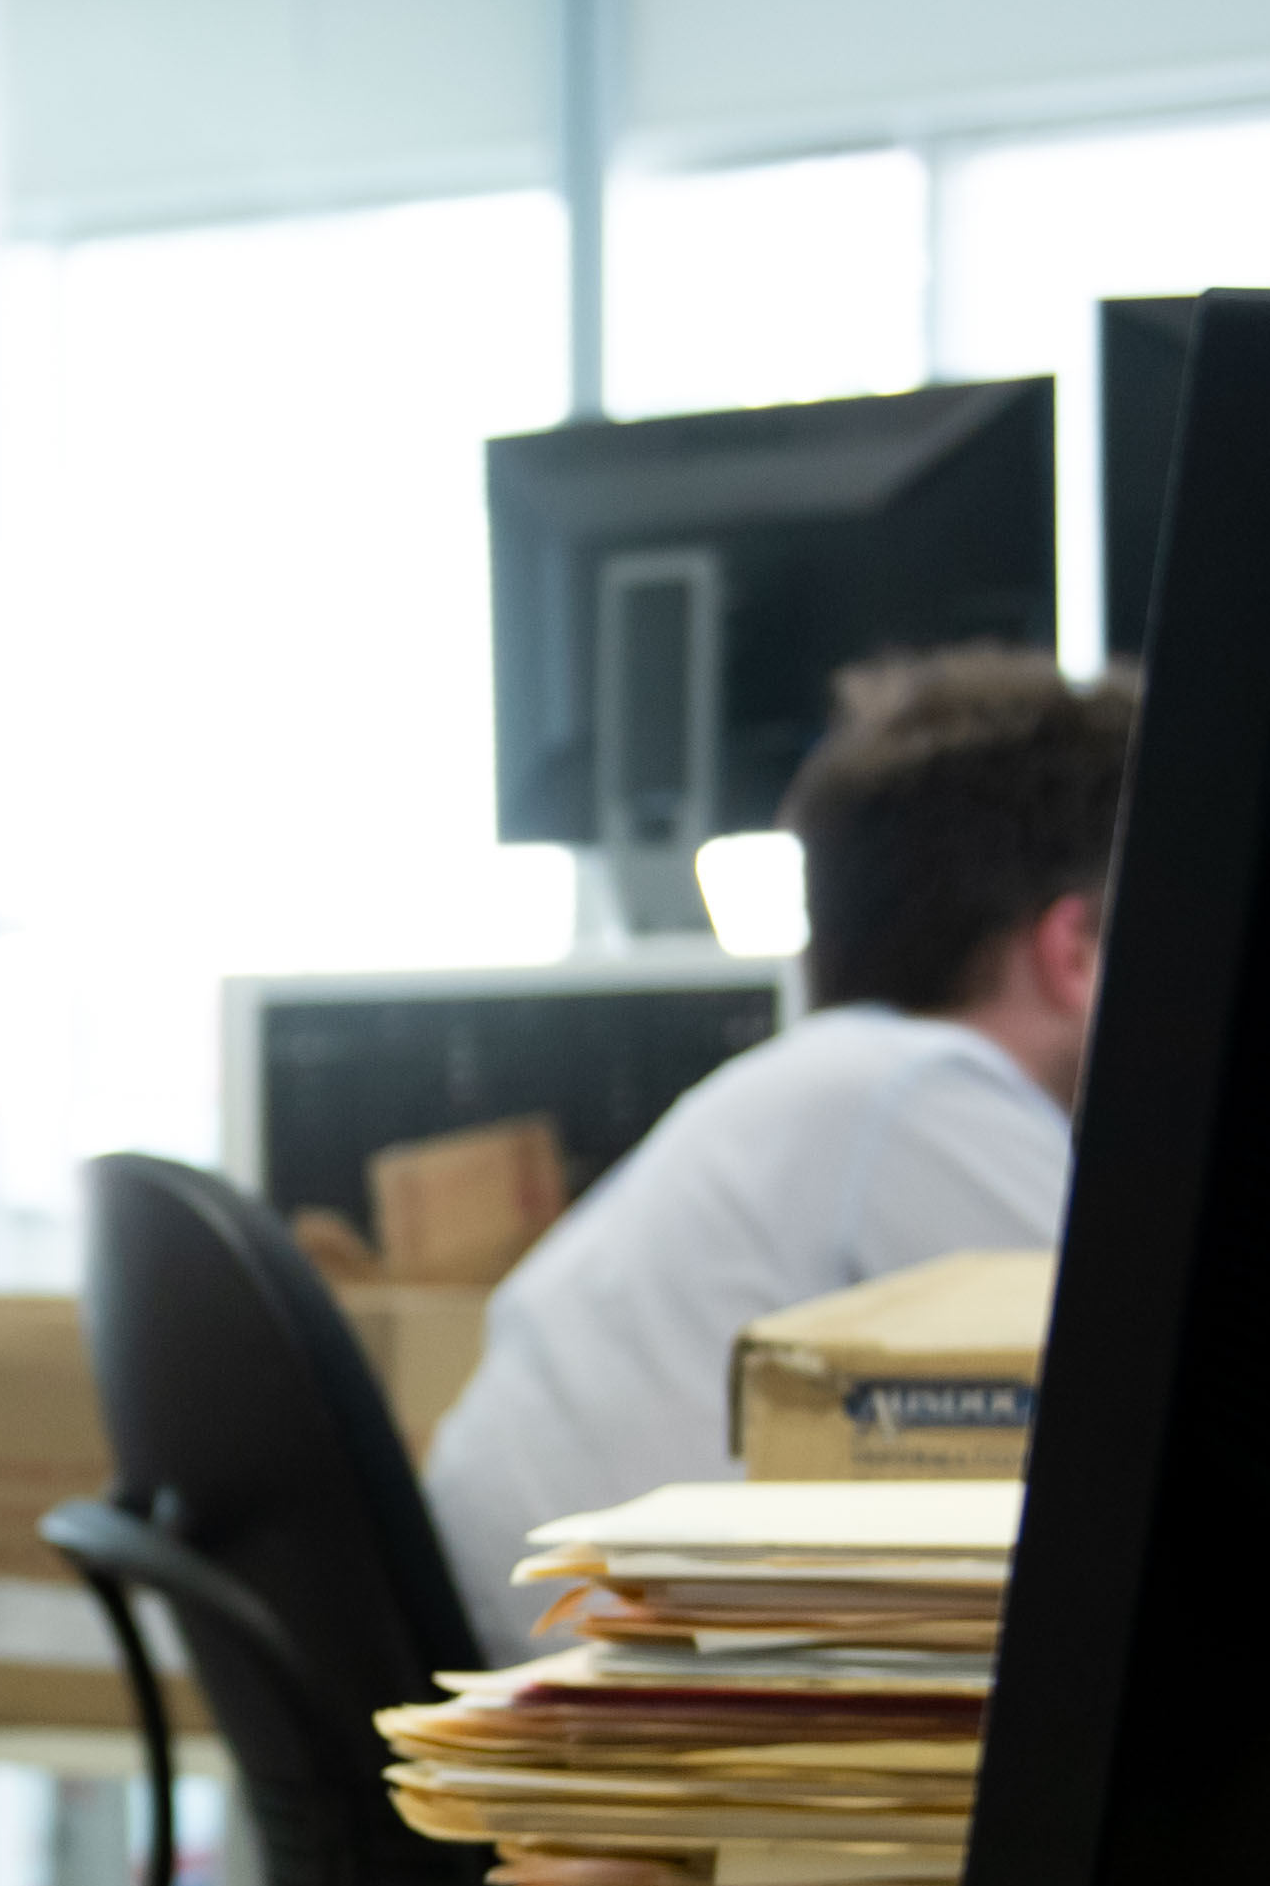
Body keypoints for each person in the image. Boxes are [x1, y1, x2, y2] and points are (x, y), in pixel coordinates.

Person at [419, 645, 1133, 1644]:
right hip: (638, 1726)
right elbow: (1152, 1450)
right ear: (1071, 950)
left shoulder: (826, 1092)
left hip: (576, 1678)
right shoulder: (921, 1098)